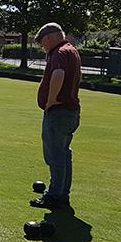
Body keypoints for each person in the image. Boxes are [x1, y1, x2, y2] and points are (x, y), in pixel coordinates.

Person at [30, 22, 81, 209]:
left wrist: (51, 101)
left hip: (58, 111)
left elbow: (58, 74)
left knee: (55, 155)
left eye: (42, 42)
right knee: (64, 154)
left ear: (50, 37)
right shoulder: (71, 50)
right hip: (70, 111)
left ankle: (54, 195)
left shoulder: (59, 52)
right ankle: (62, 194)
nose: (43, 47)